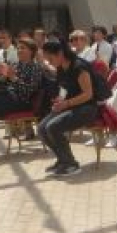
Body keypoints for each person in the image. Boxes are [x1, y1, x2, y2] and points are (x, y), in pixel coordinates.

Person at [38, 41, 98, 177]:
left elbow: (88, 94)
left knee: (53, 127)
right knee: (41, 128)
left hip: (87, 108)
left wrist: (66, 103)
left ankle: (71, 164)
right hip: (71, 106)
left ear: (60, 54)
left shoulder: (79, 67)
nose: (49, 62)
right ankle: (62, 160)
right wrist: (59, 100)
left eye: (50, 58)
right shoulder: (61, 68)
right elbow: (64, 88)